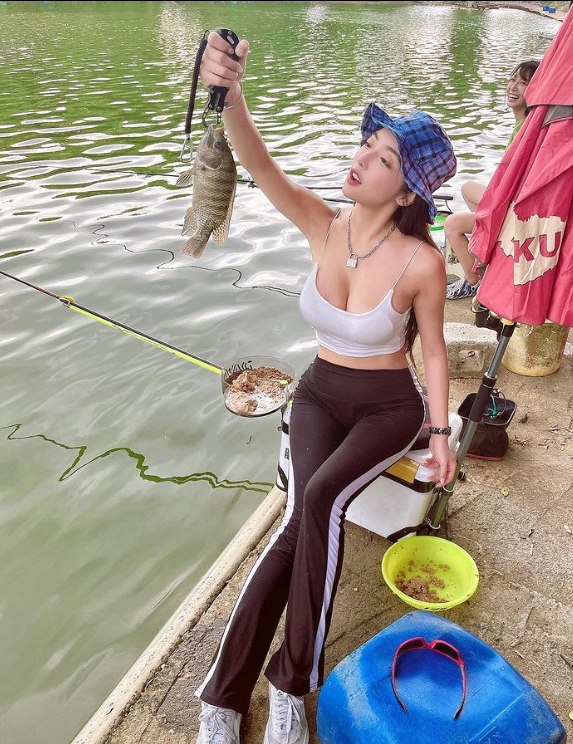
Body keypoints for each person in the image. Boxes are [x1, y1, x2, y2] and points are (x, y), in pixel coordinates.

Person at [193, 30, 458, 744]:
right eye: (364, 145)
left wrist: (437, 433)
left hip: (384, 407)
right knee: (295, 525)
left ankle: (291, 683)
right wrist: (232, 89)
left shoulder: (419, 264)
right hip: (316, 393)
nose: (361, 158)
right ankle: (220, 695)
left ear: (406, 191)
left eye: (383, 158)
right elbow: (255, 159)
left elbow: (432, 353)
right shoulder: (321, 223)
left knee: (316, 500)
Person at [445, 59, 540, 300]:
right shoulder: (523, 125)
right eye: (513, 79)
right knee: (467, 188)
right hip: (509, 202)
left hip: (514, 210)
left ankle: (472, 280)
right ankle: (487, 250)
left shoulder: (526, 130)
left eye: (524, 83)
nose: (514, 87)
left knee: (453, 225)